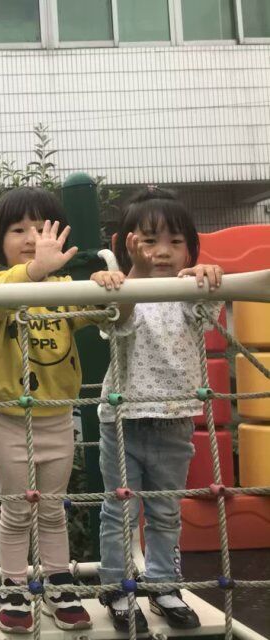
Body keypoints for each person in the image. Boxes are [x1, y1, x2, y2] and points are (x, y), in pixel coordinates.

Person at [0, 187, 115, 633]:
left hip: (58, 419)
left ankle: (58, 582)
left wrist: (106, 281)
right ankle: (13, 586)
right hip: (10, 419)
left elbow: (104, 311)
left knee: (51, 509)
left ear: (60, 237)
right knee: (15, 509)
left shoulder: (65, 290)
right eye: (18, 229)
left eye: (40, 228)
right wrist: (34, 270)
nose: (31, 238)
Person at [96, 187, 223, 633]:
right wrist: (131, 272)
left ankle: (164, 585)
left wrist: (208, 273)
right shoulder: (122, 288)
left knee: (166, 511)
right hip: (123, 421)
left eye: (175, 241)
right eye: (149, 241)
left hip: (175, 421)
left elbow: (208, 309)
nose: (163, 251)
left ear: (191, 247)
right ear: (128, 246)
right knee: (120, 511)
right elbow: (119, 319)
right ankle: (117, 589)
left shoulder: (188, 292)